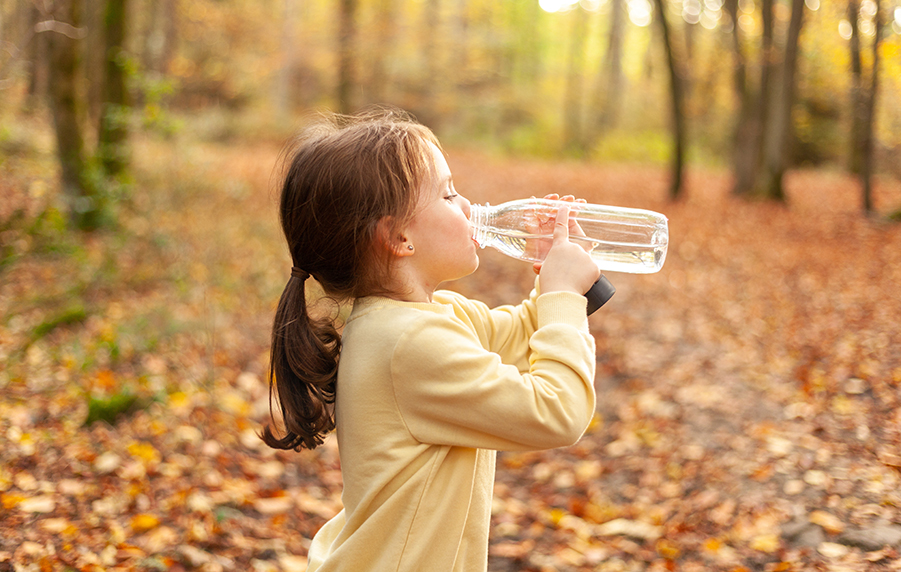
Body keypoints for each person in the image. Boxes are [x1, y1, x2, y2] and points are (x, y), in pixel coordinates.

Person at [261, 108, 600, 572]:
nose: (468, 206)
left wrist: (555, 278)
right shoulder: (409, 343)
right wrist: (562, 295)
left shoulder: (426, 318)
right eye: (449, 194)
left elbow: (525, 335)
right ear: (399, 237)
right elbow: (557, 413)